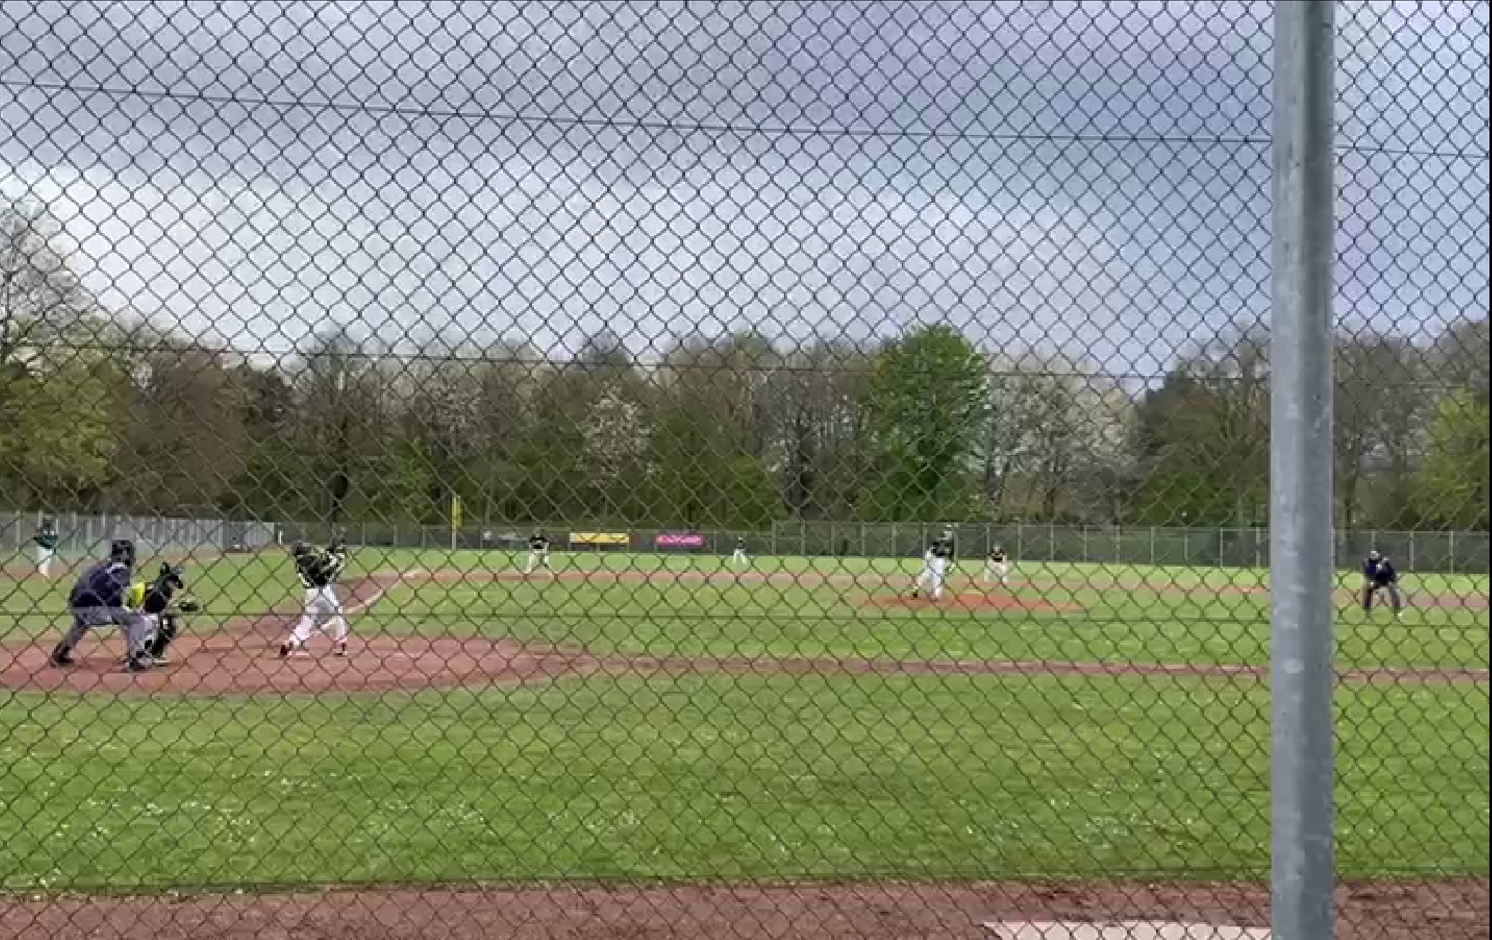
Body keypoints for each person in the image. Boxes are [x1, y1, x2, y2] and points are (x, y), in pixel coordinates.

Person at [48, 539, 156, 672]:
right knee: (136, 620)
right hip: (96, 609)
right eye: (130, 553)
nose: (132, 557)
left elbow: (84, 586)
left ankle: (60, 653)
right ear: (125, 555)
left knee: (81, 623)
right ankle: (135, 660)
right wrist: (121, 608)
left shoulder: (100, 566)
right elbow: (112, 591)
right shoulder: (122, 570)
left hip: (75, 606)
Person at [279, 539, 349, 658]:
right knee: (338, 613)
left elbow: (322, 565)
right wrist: (333, 555)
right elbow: (324, 568)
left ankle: (291, 641)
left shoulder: (299, 562)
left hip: (310, 593)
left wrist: (329, 553)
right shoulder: (308, 560)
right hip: (323, 591)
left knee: (306, 622)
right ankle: (342, 644)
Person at [126, 562, 199, 666]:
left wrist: (178, 606)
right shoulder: (162, 590)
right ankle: (151, 654)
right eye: (175, 582)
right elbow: (158, 610)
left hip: (134, 623)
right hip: (141, 622)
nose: (175, 586)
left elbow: (152, 608)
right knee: (169, 621)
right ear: (169, 580)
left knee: (164, 618)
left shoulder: (153, 585)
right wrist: (180, 607)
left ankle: (138, 651)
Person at [911, 528, 955, 601]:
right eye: (947, 531)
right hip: (932, 558)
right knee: (925, 576)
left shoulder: (951, 544)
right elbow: (931, 551)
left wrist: (952, 565)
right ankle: (915, 589)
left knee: (938, 577)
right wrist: (926, 561)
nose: (948, 533)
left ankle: (936, 595)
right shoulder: (938, 541)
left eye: (949, 531)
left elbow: (950, 556)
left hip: (940, 560)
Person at [1362, 549, 1404, 620]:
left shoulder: (1385, 561)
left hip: (1387, 580)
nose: (1373, 556)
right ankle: (1366, 609)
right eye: (1371, 555)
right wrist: (1376, 570)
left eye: (1375, 554)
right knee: (1367, 587)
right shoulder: (1367, 562)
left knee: (1393, 590)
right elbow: (1369, 573)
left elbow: (1391, 572)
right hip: (1376, 580)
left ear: (1379, 555)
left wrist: (1392, 580)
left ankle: (1397, 610)